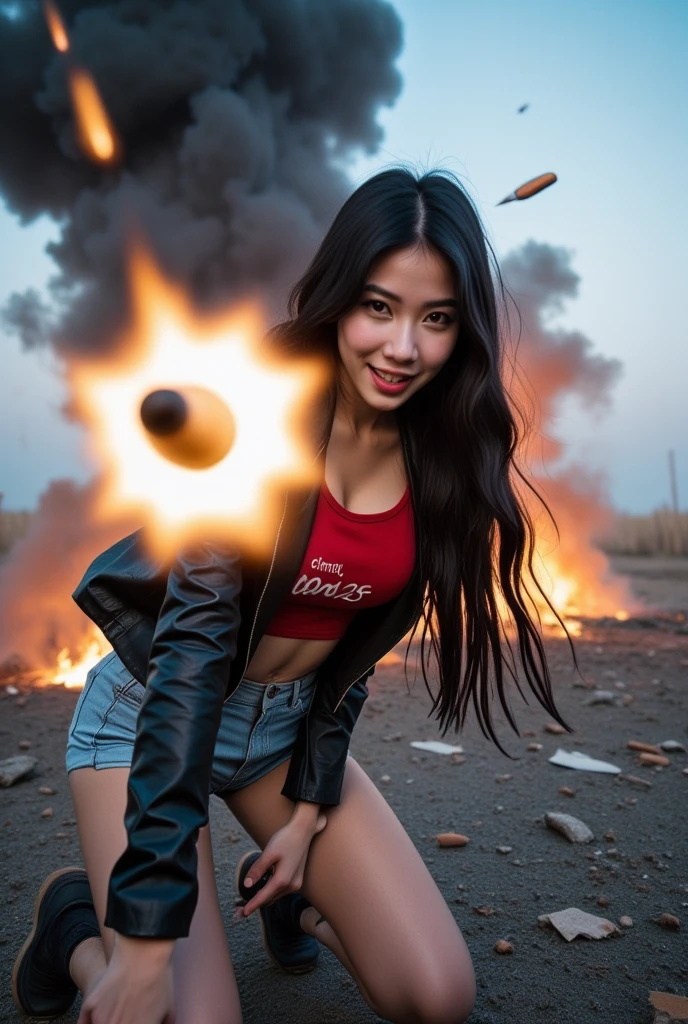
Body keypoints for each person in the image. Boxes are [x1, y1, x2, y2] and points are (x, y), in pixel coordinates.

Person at [12, 168, 573, 1024]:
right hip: (152, 714)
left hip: (281, 731)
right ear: (339, 298)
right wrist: (149, 937)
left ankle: (292, 896)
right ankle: (78, 940)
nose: (402, 348)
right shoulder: (252, 428)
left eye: (437, 319)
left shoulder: (442, 461)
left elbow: (347, 661)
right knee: (167, 1004)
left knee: (438, 996)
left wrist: (310, 813)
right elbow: (192, 660)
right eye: (379, 307)